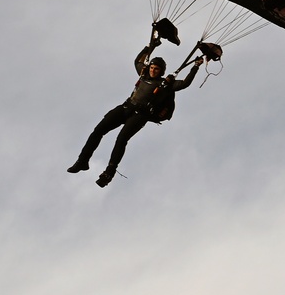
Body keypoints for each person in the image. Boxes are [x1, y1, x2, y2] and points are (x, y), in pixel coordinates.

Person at [67, 26, 217, 187]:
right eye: (152, 67)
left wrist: (195, 67)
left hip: (140, 115)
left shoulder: (165, 84)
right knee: (98, 130)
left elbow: (185, 84)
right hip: (126, 107)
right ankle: (82, 161)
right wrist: (150, 46)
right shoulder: (143, 73)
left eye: (156, 69)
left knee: (121, 139)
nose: (153, 70)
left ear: (161, 71)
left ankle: (109, 171)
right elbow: (138, 60)